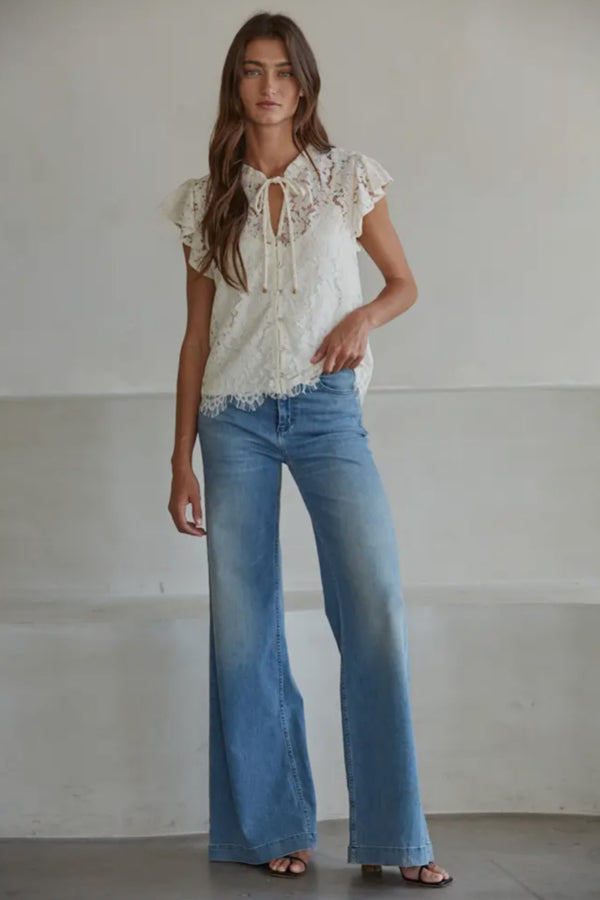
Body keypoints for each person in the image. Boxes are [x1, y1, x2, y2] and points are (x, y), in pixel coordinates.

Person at [160, 11, 453, 889]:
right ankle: (272, 828)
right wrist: (179, 459)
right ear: (236, 84)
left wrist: (362, 318)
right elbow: (196, 337)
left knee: (373, 607)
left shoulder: (347, 178)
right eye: (253, 70)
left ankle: (396, 835)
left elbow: (404, 284)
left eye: (283, 71)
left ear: (305, 83)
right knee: (244, 629)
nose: (269, 86)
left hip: (327, 410)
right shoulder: (207, 198)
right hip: (233, 419)